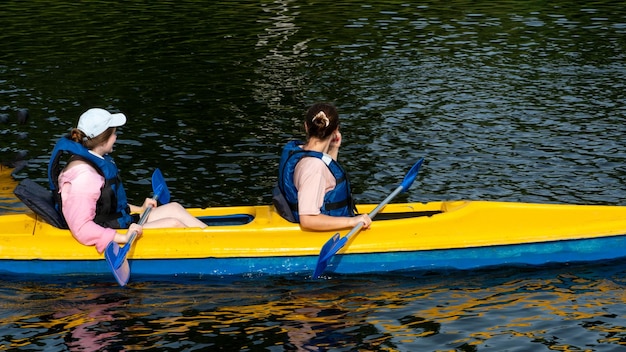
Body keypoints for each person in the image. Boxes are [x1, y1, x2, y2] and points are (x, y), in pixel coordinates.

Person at [48, 108, 207, 253]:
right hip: (110, 231)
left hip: (117, 222)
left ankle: (213, 238)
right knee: (174, 224)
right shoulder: (85, 177)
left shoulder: (94, 161)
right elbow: (81, 227)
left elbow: (106, 204)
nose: (116, 137)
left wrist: (139, 209)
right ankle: (208, 252)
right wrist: (123, 238)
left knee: (174, 209)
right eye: (114, 134)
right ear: (103, 140)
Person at [274, 102, 372, 231]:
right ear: (336, 129)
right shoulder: (314, 167)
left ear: (306, 127)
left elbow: (327, 184)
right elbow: (308, 219)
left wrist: (334, 149)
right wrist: (353, 221)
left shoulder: (299, 151)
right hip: (318, 234)